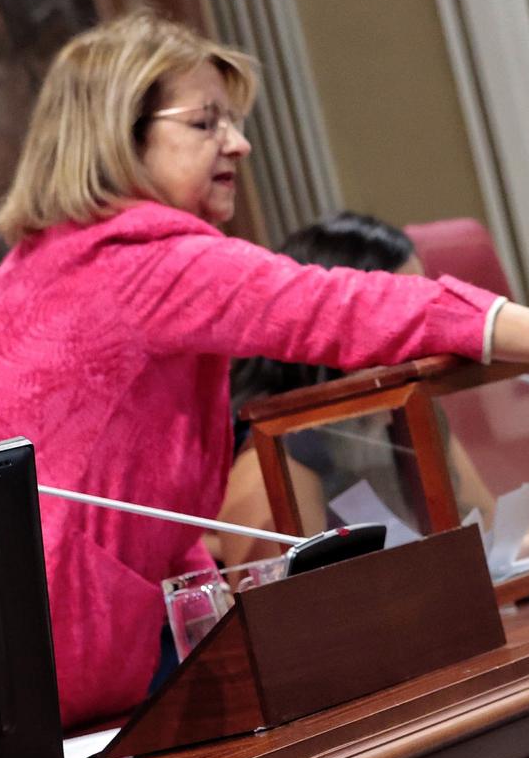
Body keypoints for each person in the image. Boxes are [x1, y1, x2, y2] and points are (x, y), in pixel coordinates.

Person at [0, 10, 529, 728]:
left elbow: (148, 517)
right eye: (206, 122)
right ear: (117, 137)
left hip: (14, 655)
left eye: (233, 121)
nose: (237, 142)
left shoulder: (43, 261)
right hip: (73, 660)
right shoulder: (140, 261)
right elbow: (359, 309)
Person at [213, 210, 500, 567]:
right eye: (403, 317)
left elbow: (493, 534)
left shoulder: (411, 412)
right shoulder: (268, 465)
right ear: (332, 326)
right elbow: (286, 615)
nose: (425, 337)